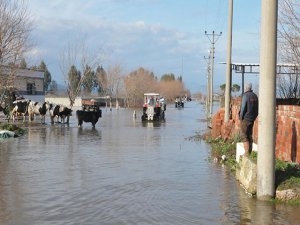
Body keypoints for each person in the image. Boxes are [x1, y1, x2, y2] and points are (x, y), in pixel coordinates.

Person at [239, 83, 258, 156]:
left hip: (245, 118)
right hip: (252, 118)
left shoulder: (245, 96)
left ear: (246, 88)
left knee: (243, 135)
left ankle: (246, 153)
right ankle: (250, 152)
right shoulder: (255, 96)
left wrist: (241, 117)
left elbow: (243, 107)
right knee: (249, 135)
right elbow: (257, 108)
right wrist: (255, 116)